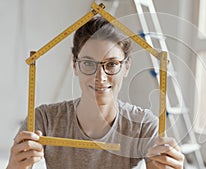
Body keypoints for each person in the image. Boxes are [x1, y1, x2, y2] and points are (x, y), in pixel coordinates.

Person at [7, 16, 184, 169]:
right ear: (75, 65)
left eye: (112, 64)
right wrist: (14, 166)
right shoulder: (43, 120)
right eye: (88, 63)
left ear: (127, 66)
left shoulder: (143, 125)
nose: (100, 77)